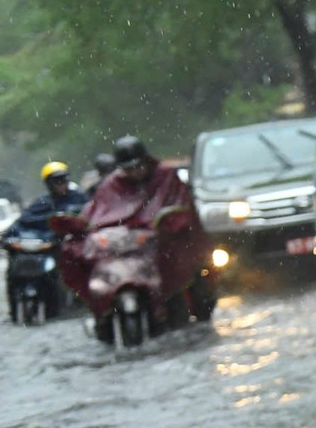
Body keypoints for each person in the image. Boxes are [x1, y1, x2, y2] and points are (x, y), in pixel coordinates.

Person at [60, 135, 211, 332]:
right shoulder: (111, 184)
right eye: (128, 169)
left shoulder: (165, 177)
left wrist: (168, 225)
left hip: (162, 247)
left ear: (146, 162)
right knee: (75, 252)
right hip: (123, 250)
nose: (134, 172)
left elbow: (181, 208)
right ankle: (102, 314)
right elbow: (95, 213)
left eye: (138, 166)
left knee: (190, 279)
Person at [0, 162, 90, 318]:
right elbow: (23, 221)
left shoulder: (80, 199)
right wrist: (4, 237)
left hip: (73, 246)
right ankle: (15, 309)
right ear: (48, 184)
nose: (61, 184)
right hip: (47, 246)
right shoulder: (42, 202)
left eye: (63, 180)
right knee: (13, 270)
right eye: (56, 181)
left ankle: (83, 299)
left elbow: (90, 221)